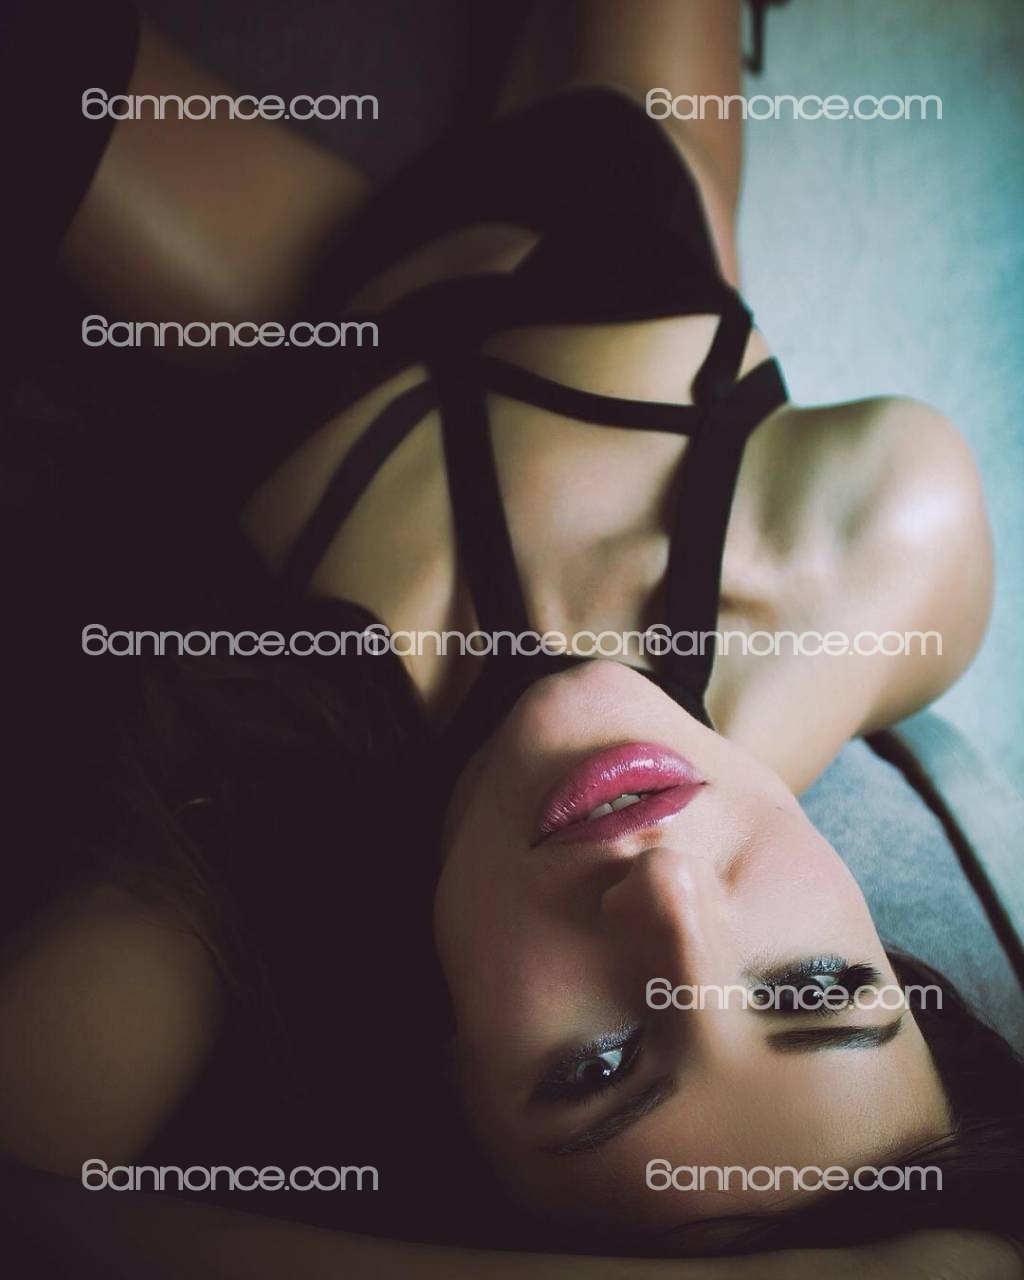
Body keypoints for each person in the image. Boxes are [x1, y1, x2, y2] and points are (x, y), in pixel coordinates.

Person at [1, 0, 1021, 1274]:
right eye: (813, 989)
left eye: (600, 1065)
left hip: (316, 300)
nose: (664, 892)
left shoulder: (256, 850)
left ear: (456, 1087)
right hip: (618, 204)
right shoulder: (871, 553)